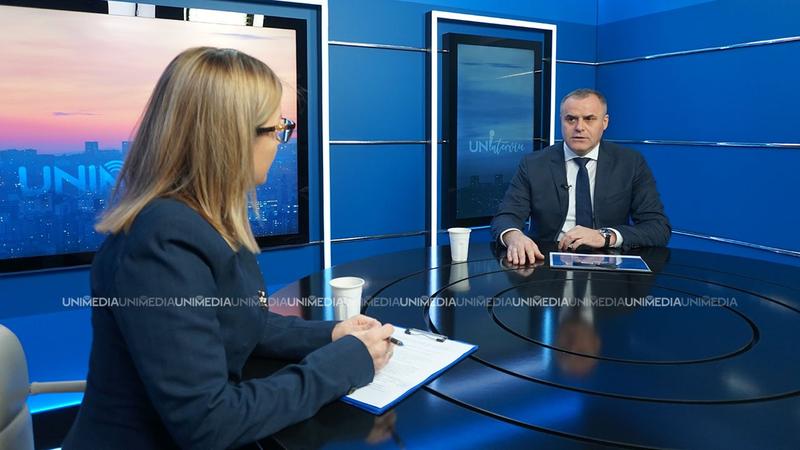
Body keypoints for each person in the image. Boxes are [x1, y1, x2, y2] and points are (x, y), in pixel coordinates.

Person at [62, 47, 395, 450]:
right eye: (276, 129)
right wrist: (344, 365)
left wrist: (332, 334)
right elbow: (209, 423)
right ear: (231, 139)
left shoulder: (206, 219)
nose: (280, 142)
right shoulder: (161, 243)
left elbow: (238, 320)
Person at [491, 88, 671, 265]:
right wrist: (514, 237)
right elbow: (506, 216)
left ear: (605, 122)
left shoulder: (630, 163)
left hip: (608, 264)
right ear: (561, 121)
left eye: (589, 119)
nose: (579, 127)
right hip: (546, 263)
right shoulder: (533, 164)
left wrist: (606, 236)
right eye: (571, 119)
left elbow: (658, 227)